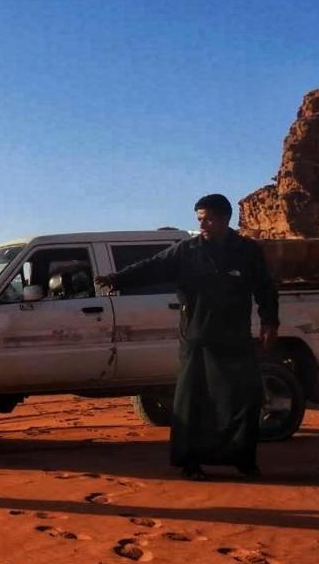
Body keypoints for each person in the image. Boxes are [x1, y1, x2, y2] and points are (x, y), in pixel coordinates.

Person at [95, 195, 278, 479]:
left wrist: (270, 323)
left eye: (207, 219)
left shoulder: (246, 251)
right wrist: (117, 279)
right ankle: (190, 463)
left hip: (235, 338)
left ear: (224, 219)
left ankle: (242, 458)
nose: (202, 224)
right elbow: (152, 266)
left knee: (244, 398)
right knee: (193, 403)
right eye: (199, 219)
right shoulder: (186, 250)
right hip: (197, 339)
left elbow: (266, 289)